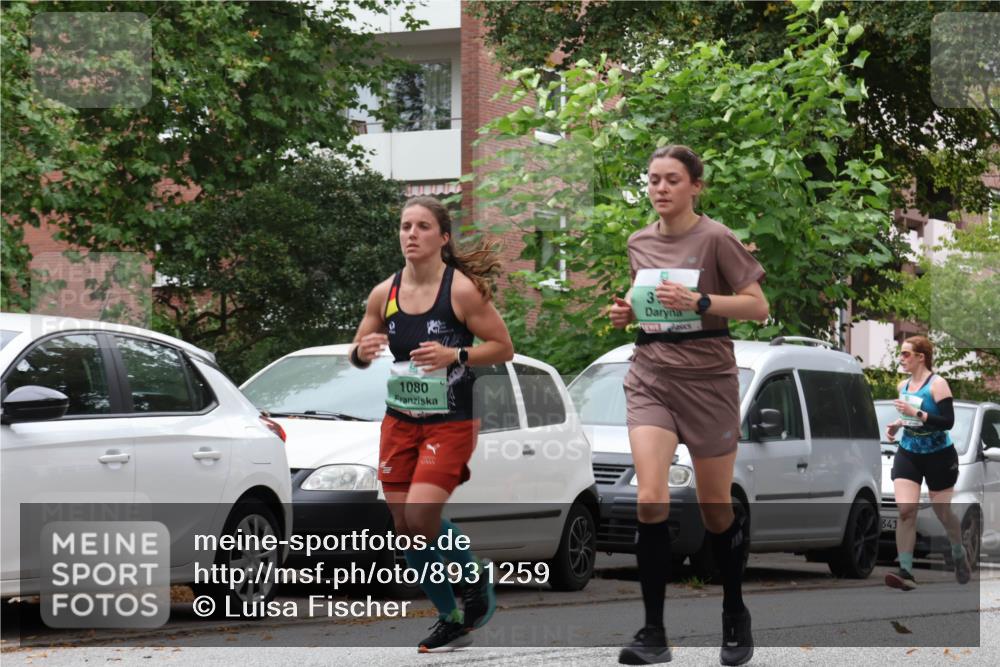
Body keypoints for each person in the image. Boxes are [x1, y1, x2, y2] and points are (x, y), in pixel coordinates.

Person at [610, 145, 769, 666]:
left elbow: (757, 307)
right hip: (652, 373)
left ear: (695, 186)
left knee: (714, 511)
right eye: (653, 179)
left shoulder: (717, 239)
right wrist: (624, 313)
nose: (660, 188)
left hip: (709, 380)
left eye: (672, 180)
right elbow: (646, 307)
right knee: (650, 499)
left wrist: (701, 302)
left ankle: (734, 612)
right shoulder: (638, 242)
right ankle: (653, 633)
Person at [349, 196, 514, 652]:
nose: (411, 234)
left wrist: (454, 354)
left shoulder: (460, 290)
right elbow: (360, 346)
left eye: (423, 226)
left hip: (452, 420)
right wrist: (359, 353)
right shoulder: (385, 293)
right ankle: (451, 618)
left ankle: (474, 578)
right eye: (405, 226)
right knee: (405, 525)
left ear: (443, 237)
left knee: (422, 514)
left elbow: (503, 347)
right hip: (401, 418)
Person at [884, 335, 969, 590]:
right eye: (901, 354)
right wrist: (898, 424)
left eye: (906, 354)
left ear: (921, 357)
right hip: (909, 451)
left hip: (939, 455)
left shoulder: (938, 385)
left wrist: (917, 413)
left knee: (943, 512)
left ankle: (958, 552)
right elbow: (911, 419)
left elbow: (947, 421)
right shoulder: (903, 385)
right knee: (905, 510)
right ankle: (906, 572)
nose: (901, 359)